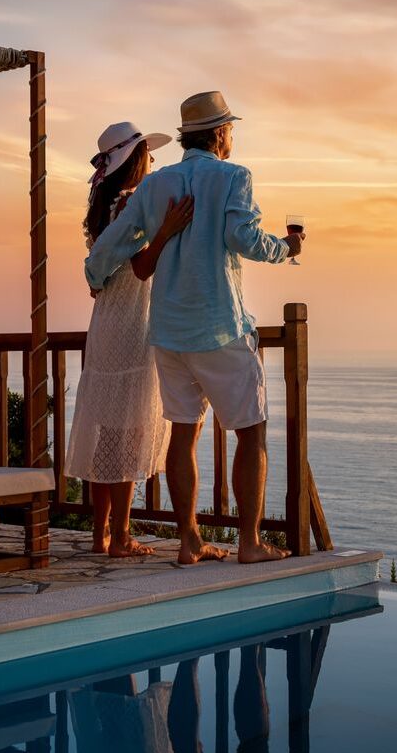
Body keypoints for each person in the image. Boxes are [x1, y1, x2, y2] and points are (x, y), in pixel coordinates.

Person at [85, 92, 304, 565]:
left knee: (183, 434)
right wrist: (286, 248)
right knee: (251, 432)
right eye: (231, 130)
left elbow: (111, 244)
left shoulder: (155, 185)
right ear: (221, 133)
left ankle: (189, 540)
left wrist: (94, 277)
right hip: (220, 325)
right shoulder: (233, 177)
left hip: (168, 332)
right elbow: (241, 238)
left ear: (188, 136)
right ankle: (249, 543)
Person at [66, 121, 194, 557]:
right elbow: (141, 268)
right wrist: (167, 231)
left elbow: (100, 270)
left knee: (106, 428)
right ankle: (120, 535)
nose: (153, 162)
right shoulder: (131, 206)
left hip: (105, 321)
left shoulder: (104, 205)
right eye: (148, 155)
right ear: (136, 160)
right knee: (128, 430)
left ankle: (102, 533)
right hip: (132, 322)